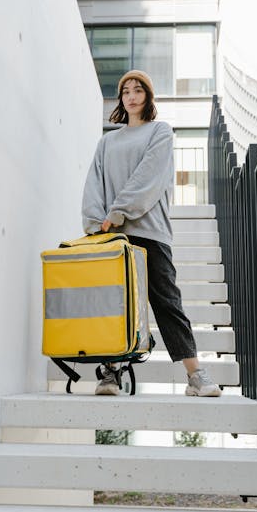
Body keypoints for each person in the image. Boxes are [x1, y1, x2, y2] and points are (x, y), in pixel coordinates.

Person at [82, 69, 221, 398]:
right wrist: (94, 221)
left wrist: (118, 212)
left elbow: (150, 177)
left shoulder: (160, 132)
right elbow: (93, 183)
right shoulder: (107, 141)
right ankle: (112, 374)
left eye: (137, 90)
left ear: (148, 97)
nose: (130, 96)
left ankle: (195, 374)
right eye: (125, 91)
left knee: (167, 302)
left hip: (151, 231)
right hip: (111, 235)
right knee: (116, 304)